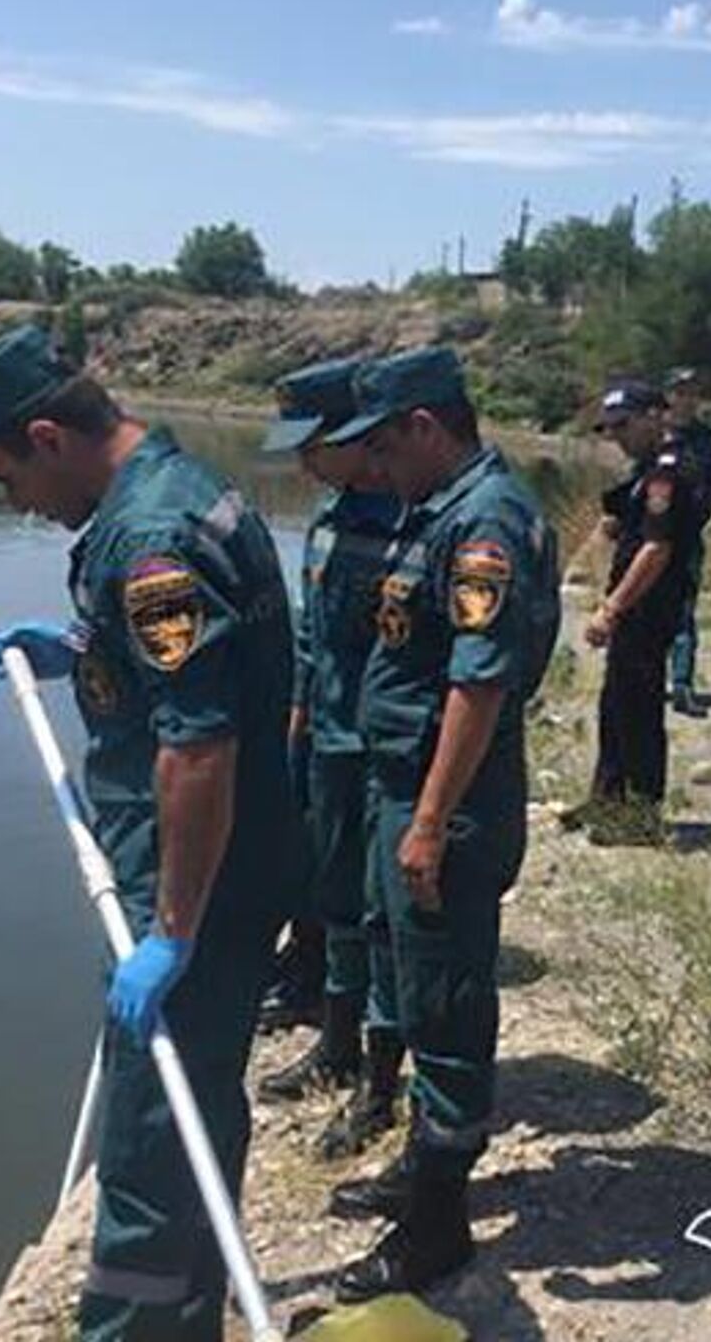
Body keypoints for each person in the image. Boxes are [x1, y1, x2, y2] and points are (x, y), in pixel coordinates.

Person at [0, 325, 301, 1342]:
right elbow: (196, 666)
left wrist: (172, 930)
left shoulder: (150, 543)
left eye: (6, 475)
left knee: (148, 1134)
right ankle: (187, 1314)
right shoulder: (176, 489)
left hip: (193, 871)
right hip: (229, 856)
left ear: (47, 436)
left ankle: (135, 1328)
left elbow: (199, 747)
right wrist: (80, 650)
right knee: (197, 1104)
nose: (13, 503)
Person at [312, 347, 561, 1300]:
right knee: (409, 974)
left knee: (447, 1001)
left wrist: (427, 822)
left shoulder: (485, 518)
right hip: (401, 787)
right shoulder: (440, 509)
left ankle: (438, 1230)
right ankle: (425, 1171)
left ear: (426, 427)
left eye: (382, 445)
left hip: (443, 804)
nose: (374, 467)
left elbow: (479, 680)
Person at [255, 360, 408, 1162]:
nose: (303, 461)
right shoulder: (334, 514)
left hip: (386, 749)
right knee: (336, 896)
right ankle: (336, 1045)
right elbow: (315, 634)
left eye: (312, 444)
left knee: (383, 917)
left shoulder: (414, 520)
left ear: (353, 433)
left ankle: (380, 1076)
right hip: (329, 741)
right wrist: (297, 717)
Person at [562, 380, 706, 846]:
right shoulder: (646, 469)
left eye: (623, 425)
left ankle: (642, 813)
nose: (616, 436)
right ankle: (607, 797)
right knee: (616, 701)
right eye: (609, 429)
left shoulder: (669, 469)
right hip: (636, 603)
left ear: (653, 416)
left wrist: (612, 607)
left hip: (650, 604)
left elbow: (657, 548)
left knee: (639, 707)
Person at [663, 366, 711, 718]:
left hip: (687, 536)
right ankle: (648, 680)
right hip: (647, 536)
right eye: (679, 391)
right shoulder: (653, 435)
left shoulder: (710, 441)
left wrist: (699, 517)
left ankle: (682, 684)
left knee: (684, 610)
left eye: (692, 392)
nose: (686, 399)